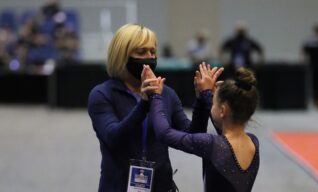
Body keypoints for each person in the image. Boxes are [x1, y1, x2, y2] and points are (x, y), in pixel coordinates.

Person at [87, 23, 223, 191]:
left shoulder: (166, 93)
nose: (150, 57)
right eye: (141, 52)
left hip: (161, 185)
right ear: (122, 55)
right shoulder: (102, 94)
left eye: (152, 51)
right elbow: (113, 138)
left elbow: (193, 137)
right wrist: (144, 104)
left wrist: (202, 100)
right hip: (118, 186)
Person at [144, 65, 260, 191]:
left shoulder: (211, 144)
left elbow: (164, 133)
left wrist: (155, 96)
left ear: (222, 110)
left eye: (214, 102)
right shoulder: (253, 142)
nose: (211, 104)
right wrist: (205, 95)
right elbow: (225, 127)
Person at [302, 24, 318, 110]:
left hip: (311, 65)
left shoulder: (309, 42)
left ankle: (315, 100)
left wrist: (305, 61)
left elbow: (303, 52)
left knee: (313, 84)